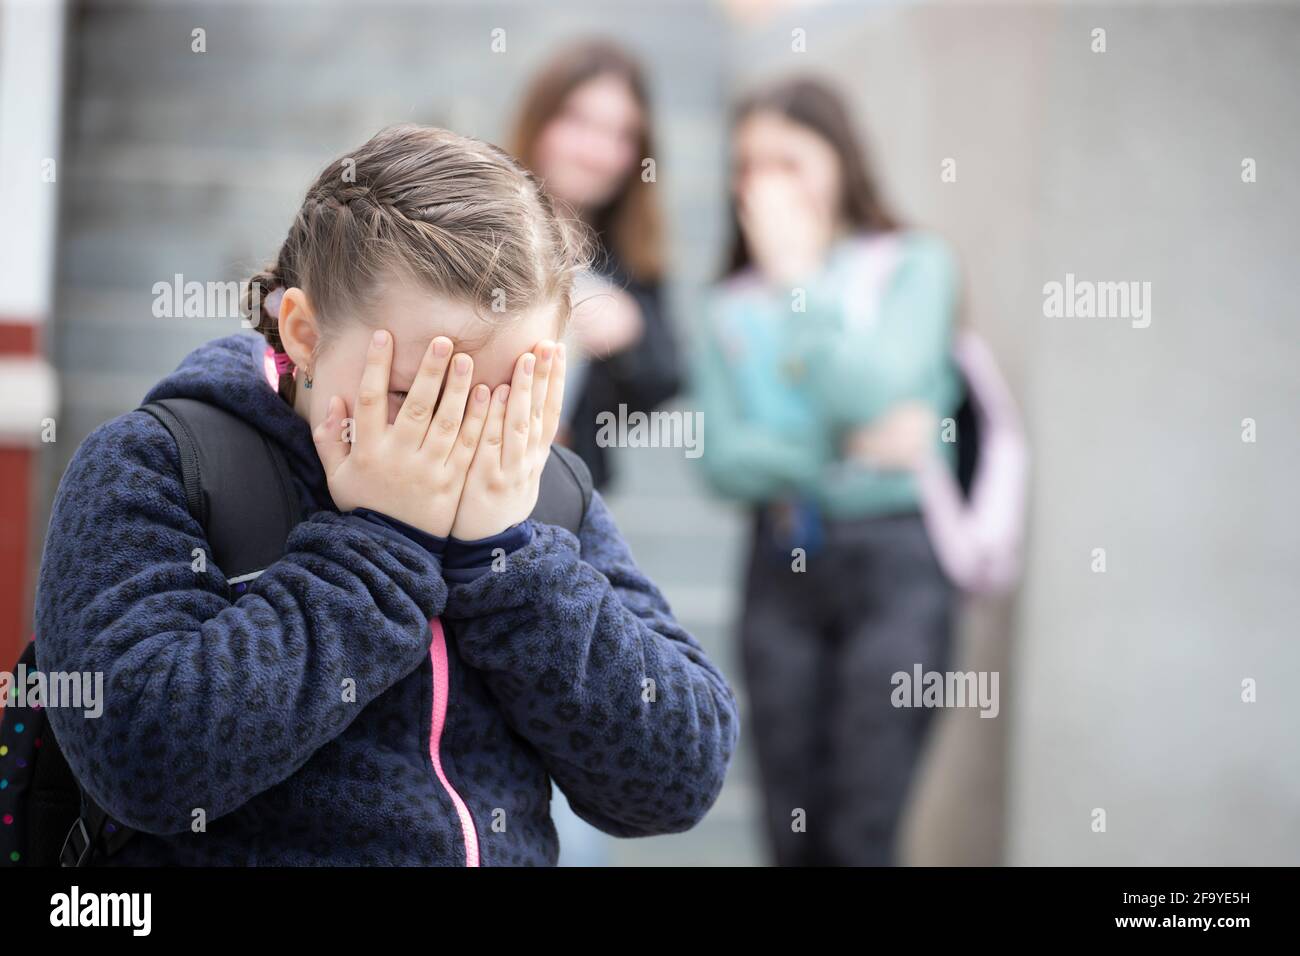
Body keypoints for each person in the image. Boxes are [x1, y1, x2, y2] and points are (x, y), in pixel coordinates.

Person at [34, 124, 738, 866]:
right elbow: (142, 762)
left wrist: (510, 565)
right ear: (302, 333)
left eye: (505, 398)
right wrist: (380, 549)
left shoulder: (542, 497)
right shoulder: (159, 467)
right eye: (417, 394)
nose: (459, 435)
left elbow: (677, 782)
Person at [694, 78, 964, 865]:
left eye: (789, 161)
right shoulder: (726, 307)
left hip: (897, 562)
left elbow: (872, 387)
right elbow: (723, 461)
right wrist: (841, 446)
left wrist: (799, 282)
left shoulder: (912, 267)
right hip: (780, 564)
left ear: (840, 159)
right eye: (750, 167)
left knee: (863, 826)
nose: (766, 185)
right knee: (792, 827)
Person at [510, 40, 680, 491]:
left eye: (620, 135)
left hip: (564, 491)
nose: (597, 152)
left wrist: (631, 330)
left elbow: (665, 378)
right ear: (540, 120)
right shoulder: (480, 221)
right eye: (579, 122)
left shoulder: (627, 254)